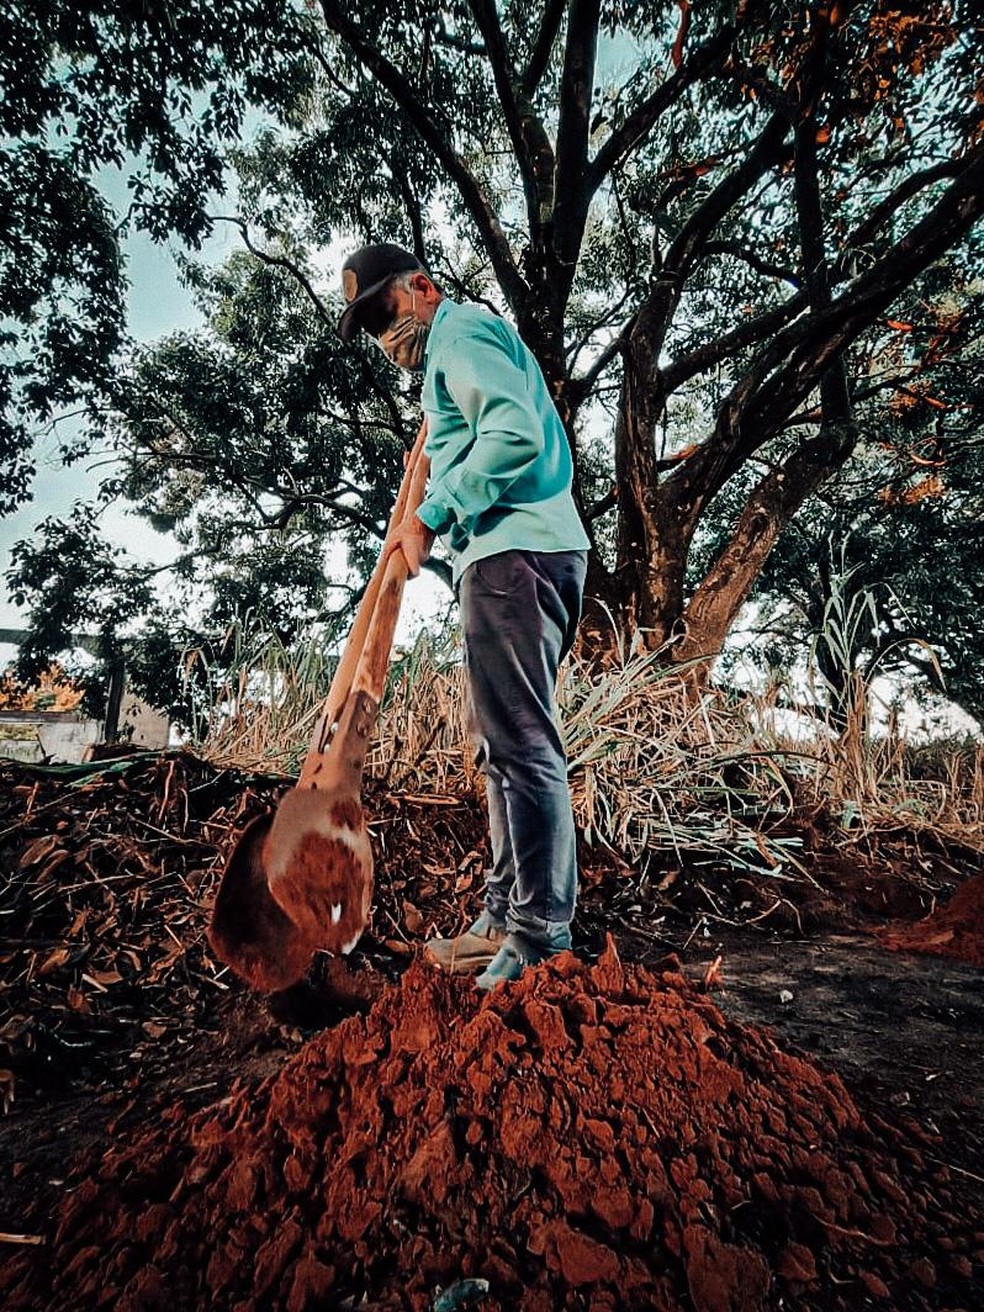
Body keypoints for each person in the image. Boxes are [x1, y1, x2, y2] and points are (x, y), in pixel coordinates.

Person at [338, 243, 590, 989]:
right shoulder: (446, 365)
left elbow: (513, 431)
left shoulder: (459, 335)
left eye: (387, 312)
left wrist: (434, 512)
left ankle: (541, 937)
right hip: (507, 555)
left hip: (518, 551)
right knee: (497, 746)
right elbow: (475, 434)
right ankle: (506, 914)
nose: (387, 338)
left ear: (421, 287)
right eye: (372, 327)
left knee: (521, 743)